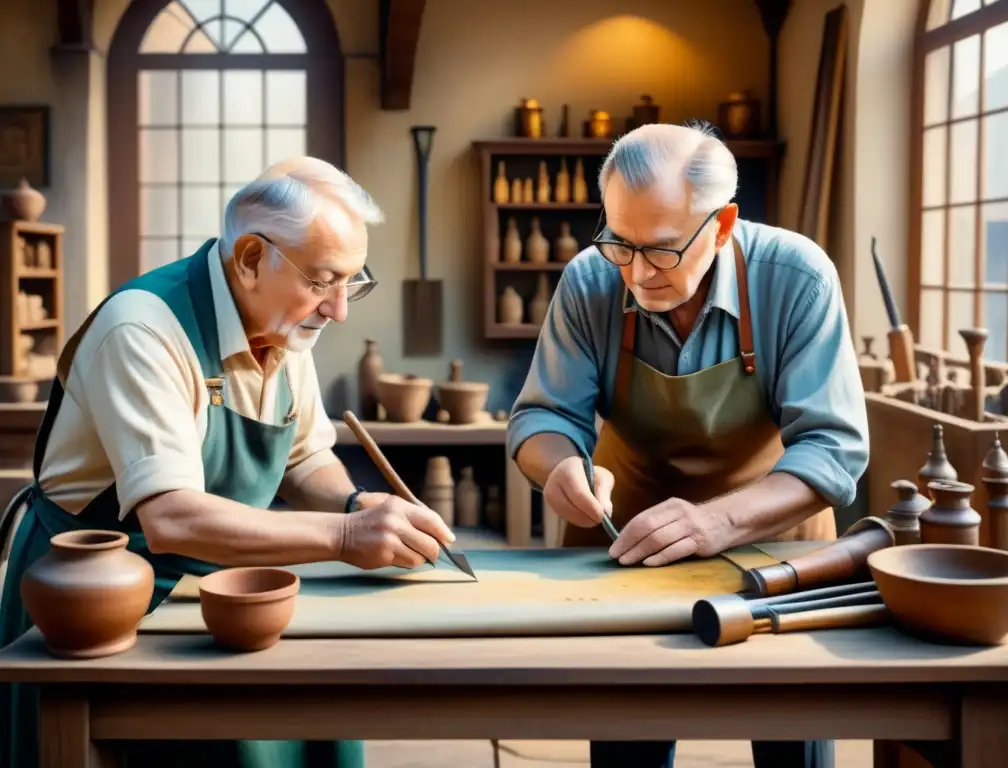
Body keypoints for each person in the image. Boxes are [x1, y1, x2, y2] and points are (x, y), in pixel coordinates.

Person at [0, 157, 456, 768]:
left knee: (317, 703)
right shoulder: (143, 329)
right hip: (101, 598)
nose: (339, 308)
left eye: (353, 280)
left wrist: (354, 502)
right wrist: (345, 535)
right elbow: (173, 519)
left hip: (223, 579)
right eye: (324, 281)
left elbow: (304, 459)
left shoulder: (285, 323)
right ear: (248, 259)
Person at [507, 121, 868, 768]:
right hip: (629, 541)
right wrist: (559, 468)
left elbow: (834, 449)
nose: (638, 273)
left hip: (777, 546)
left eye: (663, 250)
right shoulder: (592, 281)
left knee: (794, 741)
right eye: (621, 242)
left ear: (723, 224)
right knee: (627, 745)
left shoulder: (796, 277)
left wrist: (716, 521)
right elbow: (541, 419)